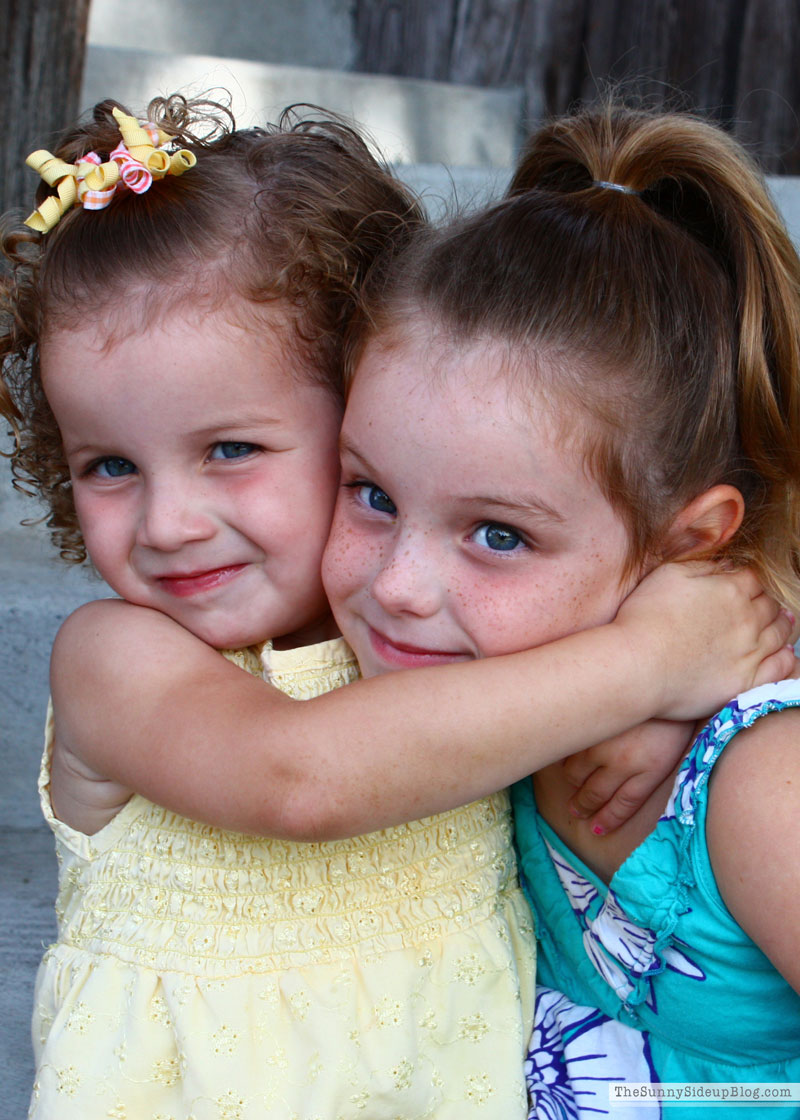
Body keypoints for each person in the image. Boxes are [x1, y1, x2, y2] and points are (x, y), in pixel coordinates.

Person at [1, 95, 792, 1118]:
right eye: (107, 465)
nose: (168, 522)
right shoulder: (114, 660)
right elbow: (301, 775)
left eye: (230, 449)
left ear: (351, 403)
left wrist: (664, 691)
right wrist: (644, 669)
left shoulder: (448, 659)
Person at [317, 101, 800, 1118]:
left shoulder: (757, 790)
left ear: (687, 543)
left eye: (497, 533)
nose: (396, 586)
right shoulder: (490, 698)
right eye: (369, 491)